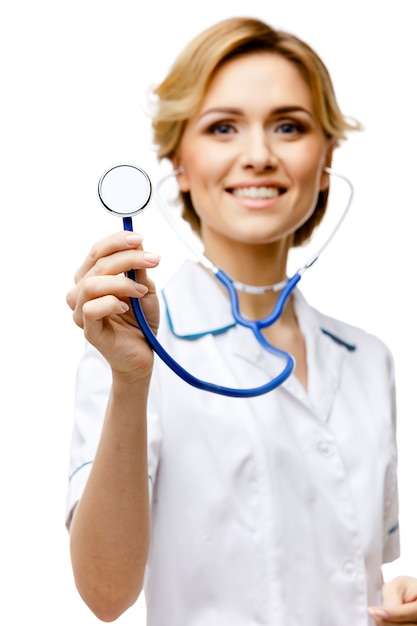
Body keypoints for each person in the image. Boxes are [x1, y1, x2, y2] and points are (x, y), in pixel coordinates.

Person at [66, 16, 417, 626]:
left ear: (326, 159)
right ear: (178, 161)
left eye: (289, 126)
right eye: (223, 127)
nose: (259, 156)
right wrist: (130, 380)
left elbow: (349, 571)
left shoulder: (368, 358)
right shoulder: (132, 348)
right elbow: (105, 595)